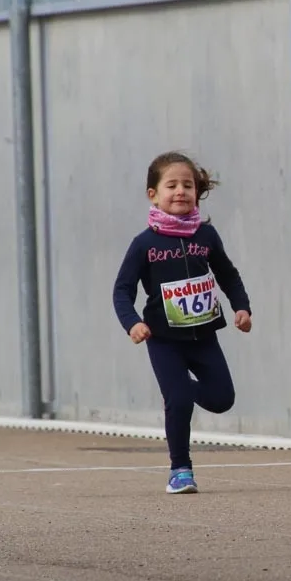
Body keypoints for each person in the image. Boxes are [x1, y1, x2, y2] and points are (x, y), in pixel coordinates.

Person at [112, 151, 252, 494]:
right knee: (179, 403)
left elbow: (228, 275)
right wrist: (132, 323)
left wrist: (242, 308)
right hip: (163, 339)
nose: (180, 192)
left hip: (204, 337)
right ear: (153, 194)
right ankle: (180, 470)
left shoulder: (207, 236)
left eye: (187, 185)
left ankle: (179, 389)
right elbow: (122, 290)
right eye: (171, 185)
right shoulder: (144, 244)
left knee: (222, 398)